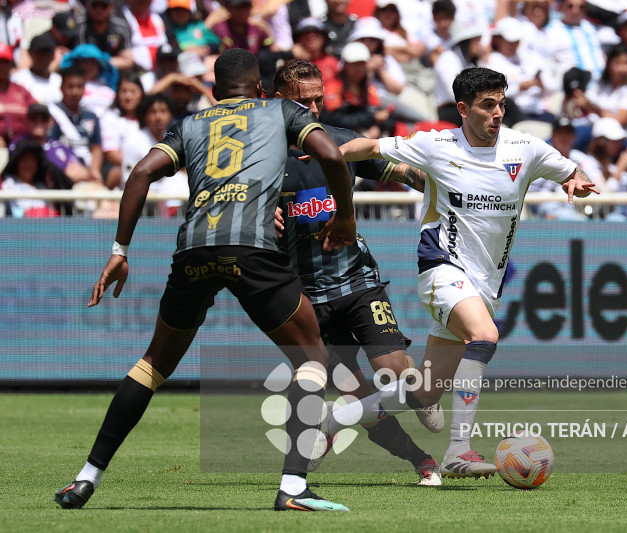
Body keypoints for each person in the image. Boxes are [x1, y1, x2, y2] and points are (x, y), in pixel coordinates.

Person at [53, 48, 357, 512]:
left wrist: (120, 250)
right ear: (260, 88)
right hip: (252, 247)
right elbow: (332, 155)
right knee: (311, 354)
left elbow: (140, 173)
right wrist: (347, 220)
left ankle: (85, 478)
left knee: (153, 364)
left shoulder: (191, 123)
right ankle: (294, 487)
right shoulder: (281, 109)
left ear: (214, 92)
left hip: (193, 248)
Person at [320, 67, 598, 478]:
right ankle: (458, 451)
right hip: (441, 271)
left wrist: (577, 179)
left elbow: (570, 169)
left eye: (501, 103)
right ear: (464, 109)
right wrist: (331, 153)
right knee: (485, 336)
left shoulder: (525, 148)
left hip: (485, 284)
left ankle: (334, 420)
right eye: (488, 105)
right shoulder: (435, 145)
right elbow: (372, 147)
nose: (498, 113)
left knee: (423, 392)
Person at [271, 59, 444, 486]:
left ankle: (412, 392)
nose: (312, 109)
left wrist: (453, 186)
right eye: (302, 101)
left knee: (394, 371)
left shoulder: (341, 143)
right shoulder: (261, 158)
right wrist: (256, 214)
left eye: (318, 99)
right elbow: (227, 198)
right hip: (305, 298)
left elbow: (407, 173)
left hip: (357, 281)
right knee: (358, 396)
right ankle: (421, 460)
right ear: (277, 101)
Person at [48, 66, 104, 185]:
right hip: (62, 173)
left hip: (87, 172)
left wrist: (94, 170)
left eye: (79, 87)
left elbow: (96, 147)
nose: (75, 91)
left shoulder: (91, 117)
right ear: (61, 88)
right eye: (70, 86)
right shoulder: (51, 114)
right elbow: (49, 147)